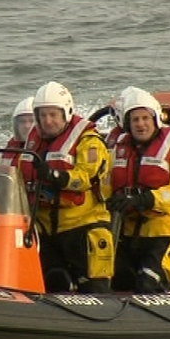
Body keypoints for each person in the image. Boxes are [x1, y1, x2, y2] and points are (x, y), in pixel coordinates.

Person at [18, 81, 114, 293]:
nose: (48, 121)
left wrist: (54, 175)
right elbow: (16, 174)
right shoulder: (31, 142)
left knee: (93, 288)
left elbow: (85, 177)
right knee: (53, 281)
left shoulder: (89, 141)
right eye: (42, 116)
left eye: (53, 115)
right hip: (44, 229)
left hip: (81, 226)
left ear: (66, 112)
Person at [106, 87, 170, 293]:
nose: (141, 124)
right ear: (127, 124)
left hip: (164, 233)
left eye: (145, 118)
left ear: (156, 119)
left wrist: (147, 199)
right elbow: (105, 181)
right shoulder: (117, 151)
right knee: (114, 279)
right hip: (128, 233)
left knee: (148, 281)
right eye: (135, 120)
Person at [0, 96, 34, 167]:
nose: (27, 126)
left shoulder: (45, 148)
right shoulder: (11, 148)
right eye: (22, 122)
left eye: (32, 121)